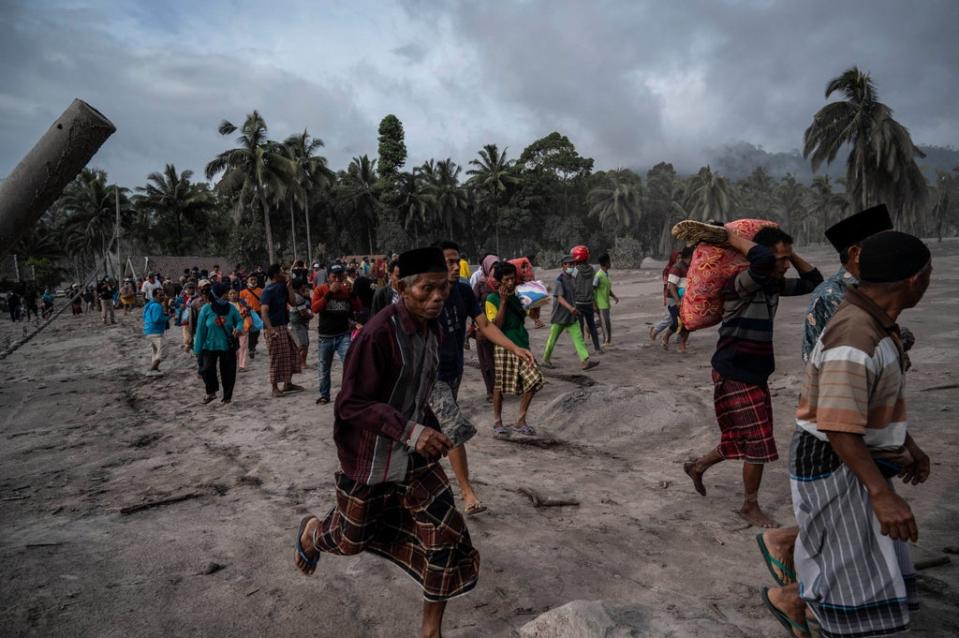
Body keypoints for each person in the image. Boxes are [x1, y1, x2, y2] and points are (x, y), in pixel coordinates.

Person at [293, 247, 478, 638]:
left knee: (446, 535)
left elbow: (418, 390)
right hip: (371, 455)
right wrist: (412, 431)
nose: (437, 298)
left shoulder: (435, 328)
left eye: (443, 288)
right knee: (349, 539)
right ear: (400, 287)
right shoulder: (377, 334)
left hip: (414, 456)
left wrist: (432, 428)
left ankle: (431, 630)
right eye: (427, 289)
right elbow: (351, 404)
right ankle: (312, 531)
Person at [763, 231, 931, 638]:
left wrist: (906, 443)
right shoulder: (855, 337)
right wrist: (881, 493)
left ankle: (796, 600)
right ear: (915, 279)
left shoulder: (877, 323)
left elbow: (872, 400)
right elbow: (837, 424)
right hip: (833, 457)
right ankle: (793, 600)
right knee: (847, 568)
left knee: (857, 559)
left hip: (852, 455)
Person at [683, 224, 822, 528]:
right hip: (735, 369)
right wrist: (732, 239)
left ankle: (697, 466)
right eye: (781, 259)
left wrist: (788, 253)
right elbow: (759, 262)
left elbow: (814, 281)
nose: (785, 266)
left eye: (788, 259)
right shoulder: (740, 282)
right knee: (759, 441)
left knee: (740, 437)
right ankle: (750, 506)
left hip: (753, 371)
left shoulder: (773, 284)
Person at [434, 241, 535, 512]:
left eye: (457, 261)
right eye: (449, 262)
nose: (456, 267)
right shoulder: (427, 295)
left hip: (454, 371)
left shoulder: (464, 292)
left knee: (433, 430)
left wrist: (514, 347)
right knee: (454, 427)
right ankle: (467, 493)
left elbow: (485, 326)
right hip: (430, 376)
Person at [486, 261, 545, 437]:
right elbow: (495, 326)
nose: (511, 282)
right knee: (500, 385)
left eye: (513, 278)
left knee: (535, 379)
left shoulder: (520, 295)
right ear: (498, 282)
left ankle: (520, 419)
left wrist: (537, 303)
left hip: (522, 343)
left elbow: (533, 316)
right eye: (507, 279)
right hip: (503, 344)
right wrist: (503, 302)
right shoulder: (491, 299)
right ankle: (497, 421)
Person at [311, 265, 362, 404]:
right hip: (325, 337)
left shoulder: (346, 290)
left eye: (340, 276)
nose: (338, 279)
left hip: (343, 335)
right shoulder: (320, 290)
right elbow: (315, 308)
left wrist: (352, 294)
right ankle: (324, 395)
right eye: (334, 276)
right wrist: (329, 294)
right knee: (324, 369)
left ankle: (350, 393)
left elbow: (358, 307)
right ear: (328, 277)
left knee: (350, 364)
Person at [542, 255, 599, 371]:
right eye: (569, 264)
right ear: (563, 266)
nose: (572, 266)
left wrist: (575, 308)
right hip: (560, 316)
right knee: (552, 339)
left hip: (571, 316)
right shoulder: (559, 280)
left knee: (578, 337)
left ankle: (585, 361)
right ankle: (545, 360)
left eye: (573, 264)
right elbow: (559, 298)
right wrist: (571, 308)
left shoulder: (573, 279)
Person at [260, 264, 304, 397]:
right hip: (273, 327)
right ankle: (274, 387)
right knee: (277, 357)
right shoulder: (268, 290)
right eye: (281, 271)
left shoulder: (282, 287)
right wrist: (270, 329)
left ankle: (287, 383)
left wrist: (289, 286)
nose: (284, 273)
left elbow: (293, 303)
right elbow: (264, 312)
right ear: (275, 275)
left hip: (284, 325)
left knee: (292, 353)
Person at [194, 283, 243, 404]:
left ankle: (227, 398)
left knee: (228, 372)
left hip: (227, 345)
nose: (226, 296)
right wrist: (197, 350)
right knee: (207, 369)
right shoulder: (206, 309)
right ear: (216, 295)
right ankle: (211, 392)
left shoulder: (231, 308)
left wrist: (238, 328)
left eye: (226, 293)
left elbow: (239, 321)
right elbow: (200, 331)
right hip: (209, 346)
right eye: (223, 294)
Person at [650, 246, 693, 352]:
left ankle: (682, 345)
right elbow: (671, 286)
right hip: (674, 300)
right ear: (690, 256)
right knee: (675, 323)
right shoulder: (677, 268)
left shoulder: (690, 267)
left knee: (688, 323)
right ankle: (665, 337)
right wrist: (678, 300)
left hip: (685, 299)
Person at [471, 254, 501, 399]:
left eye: (497, 267)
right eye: (493, 267)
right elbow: (472, 305)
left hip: (499, 327)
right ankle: (490, 391)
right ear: (487, 268)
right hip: (482, 328)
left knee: (498, 359)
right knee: (486, 361)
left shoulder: (502, 283)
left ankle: (499, 388)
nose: (495, 270)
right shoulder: (480, 284)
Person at [571, 245, 603, 354]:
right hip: (589, 302)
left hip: (578, 303)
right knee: (592, 326)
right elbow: (594, 286)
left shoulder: (575, 271)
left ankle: (581, 349)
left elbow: (572, 284)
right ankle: (597, 348)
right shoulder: (592, 269)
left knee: (579, 328)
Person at [287, 277, 313, 371]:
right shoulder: (298, 298)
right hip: (298, 323)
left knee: (302, 344)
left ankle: (299, 362)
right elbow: (303, 313)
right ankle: (302, 363)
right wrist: (311, 316)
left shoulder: (292, 296)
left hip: (293, 323)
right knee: (303, 344)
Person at [593, 253, 619, 346]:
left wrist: (614, 296)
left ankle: (588, 328)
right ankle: (606, 341)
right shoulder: (598, 275)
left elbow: (607, 289)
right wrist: (594, 304)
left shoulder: (606, 274)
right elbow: (593, 289)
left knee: (603, 322)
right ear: (605, 263)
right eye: (609, 261)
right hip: (601, 304)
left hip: (606, 303)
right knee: (606, 323)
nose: (610, 263)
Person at [143, 288, 169, 374]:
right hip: (155, 332)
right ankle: (152, 369)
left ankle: (155, 369)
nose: (162, 297)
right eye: (160, 295)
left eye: (163, 294)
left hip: (149, 331)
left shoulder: (151, 304)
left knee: (155, 351)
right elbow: (156, 319)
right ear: (155, 296)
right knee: (163, 351)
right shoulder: (156, 306)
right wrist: (168, 317)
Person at [239, 275, 263, 361]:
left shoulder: (261, 291)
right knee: (246, 330)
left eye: (254, 279)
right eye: (251, 279)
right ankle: (246, 348)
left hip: (258, 313)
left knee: (256, 331)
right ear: (248, 281)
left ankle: (252, 347)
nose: (253, 281)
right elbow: (239, 303)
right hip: (247, 314)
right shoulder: (242, 292)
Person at [228, 288, 252, 372]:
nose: (233, 295)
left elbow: (248, 314)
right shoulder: (226, 306)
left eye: (234, 293)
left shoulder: (242, 303)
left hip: (243, 327)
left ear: (237, 294)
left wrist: (245, 312)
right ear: (227, 296)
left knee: (243, 346)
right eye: (230, 294)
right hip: (231, 329)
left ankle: (242, 366)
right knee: (232, 347)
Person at [174, 281, 196, 351]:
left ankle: (192, 344)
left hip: (195, 317)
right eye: (190, 288)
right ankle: (187, 344)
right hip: (185, 317)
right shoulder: (182, 297)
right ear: (186, 289)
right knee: (186, 332)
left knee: (194, 331)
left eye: (193, 288)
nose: (191, 289)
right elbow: (176, 304)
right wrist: (180, 305)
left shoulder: (197, 297)